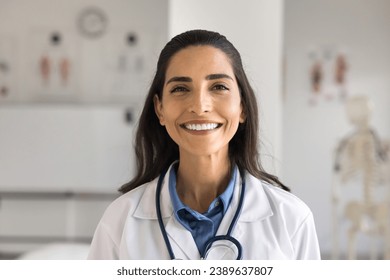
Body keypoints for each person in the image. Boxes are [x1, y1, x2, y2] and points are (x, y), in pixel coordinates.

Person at [88, 29, 321, 260]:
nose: (200, 106)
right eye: (180, 89)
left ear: (242, 106)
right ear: (160, 109)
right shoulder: (119, 221)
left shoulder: (292, 219)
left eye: (218, 87)